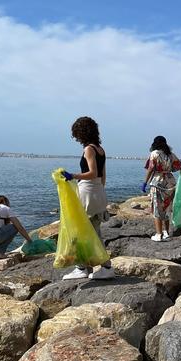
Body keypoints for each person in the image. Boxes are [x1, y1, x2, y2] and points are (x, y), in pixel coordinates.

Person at [60, 116, 115, 280]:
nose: (76, 138)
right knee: (94, 231)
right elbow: (102, 176)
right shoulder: (101, 149)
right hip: (98, 192)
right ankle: (96, 267)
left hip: (88, 193)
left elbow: (92, 173)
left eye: (76, 134)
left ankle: (85, 268)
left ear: (81, 133)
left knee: (79, 231)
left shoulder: (89, 149)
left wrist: (72, 176)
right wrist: (99, 191)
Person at [142, 136, 181, 241]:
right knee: (167, 207)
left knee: (157, 208)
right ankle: (166, 233)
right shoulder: (170, 155)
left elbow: (150, 168)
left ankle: (158, 234)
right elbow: (179, 166)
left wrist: (145, 182)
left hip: (157, 182)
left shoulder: (154, 154)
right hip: (170, 182)